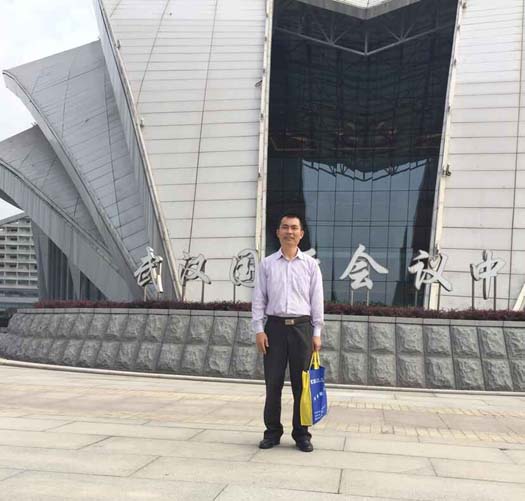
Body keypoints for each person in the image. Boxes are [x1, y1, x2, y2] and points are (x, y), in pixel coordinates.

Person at [252, 212, 324, 452]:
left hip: (302, 329)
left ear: (301, 234)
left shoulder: (311, 265)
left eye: (294, 228)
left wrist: (317, 332)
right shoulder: (267, 264)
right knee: (273, 384)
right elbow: (259, 299)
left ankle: (302, 434)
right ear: (278, 232)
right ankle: (272, 432)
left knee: (301, 385)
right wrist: (259, 330)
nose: (289, 232)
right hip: (274, 329)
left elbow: (317, 300)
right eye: (285, 227)